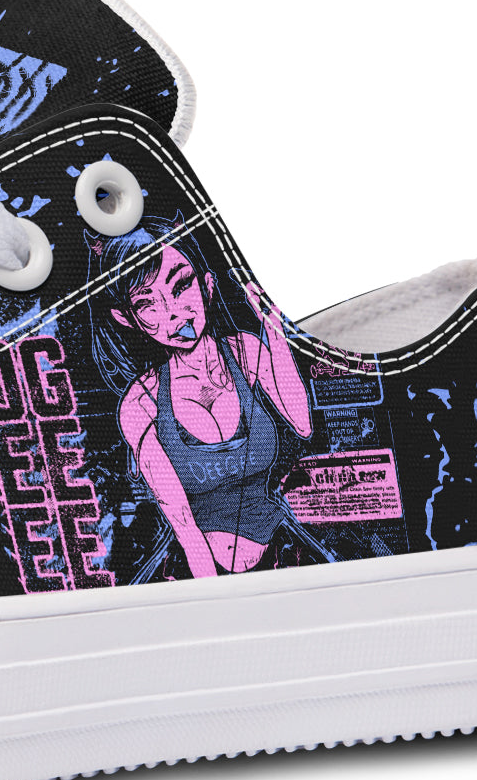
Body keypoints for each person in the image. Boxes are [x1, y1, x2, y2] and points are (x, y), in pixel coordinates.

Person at [88, 214, 325, 579]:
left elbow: (302, 423)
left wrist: (274, 331)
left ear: (207, 285)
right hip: (199, 570)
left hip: (282, 551)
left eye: (181, 286)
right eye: (147, 305)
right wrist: (216, 596)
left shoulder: (246, 352)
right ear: (127, 319)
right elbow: (183, 523)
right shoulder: (141, 403)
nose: (174, 313)